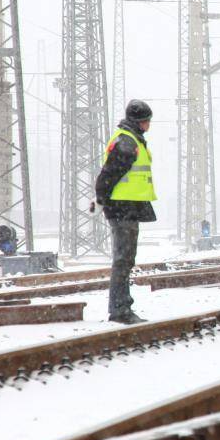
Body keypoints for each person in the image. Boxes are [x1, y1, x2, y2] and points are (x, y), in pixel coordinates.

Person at [92, 99, 157, 323]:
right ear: (139, 122)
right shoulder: (127, 143)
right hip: (122, 208)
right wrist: (100, 198)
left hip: (127, 207)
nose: (149, 125)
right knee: (123, 260)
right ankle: (120, 310)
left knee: (125, 259)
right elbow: (108, 175)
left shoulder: (131, 140)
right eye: (147, 121)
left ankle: (121, 307)